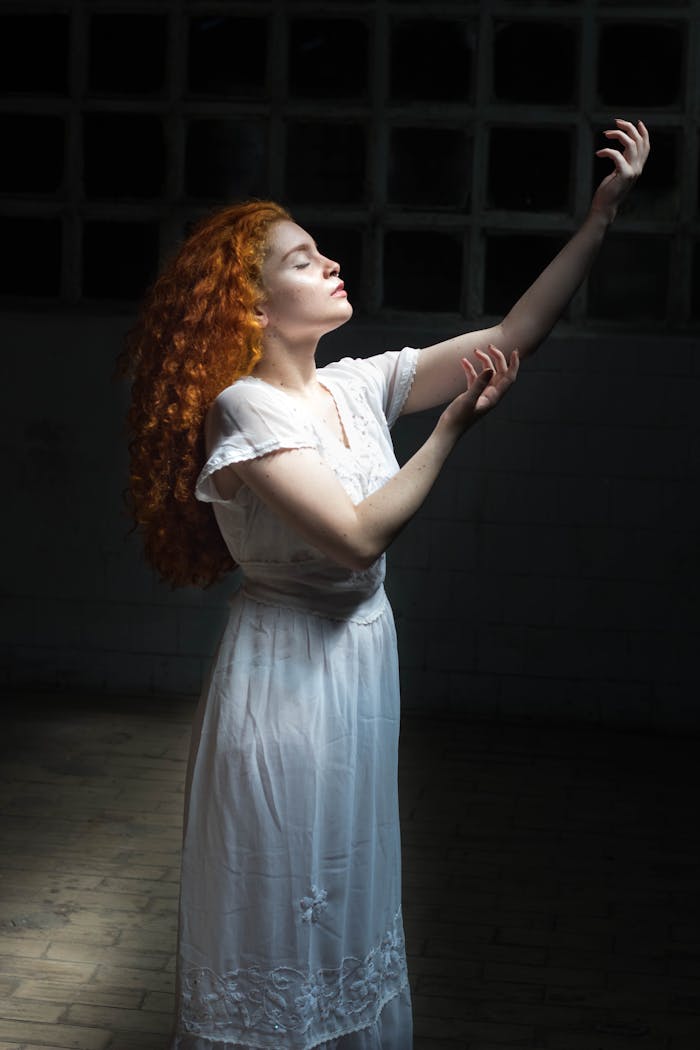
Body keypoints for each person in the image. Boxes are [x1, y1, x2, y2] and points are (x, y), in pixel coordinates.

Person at [121, 119, 649, 1050]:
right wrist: (448, 432)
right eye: (301, 261)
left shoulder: (356, 386)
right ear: (250, 311)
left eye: (322, 251)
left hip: (359, 667)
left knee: (348, 888)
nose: (329, 264)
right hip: (285, 679)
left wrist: (599, 218)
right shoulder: (243, 407)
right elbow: (358, 539)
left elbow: (514, 333)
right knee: (285, 900)